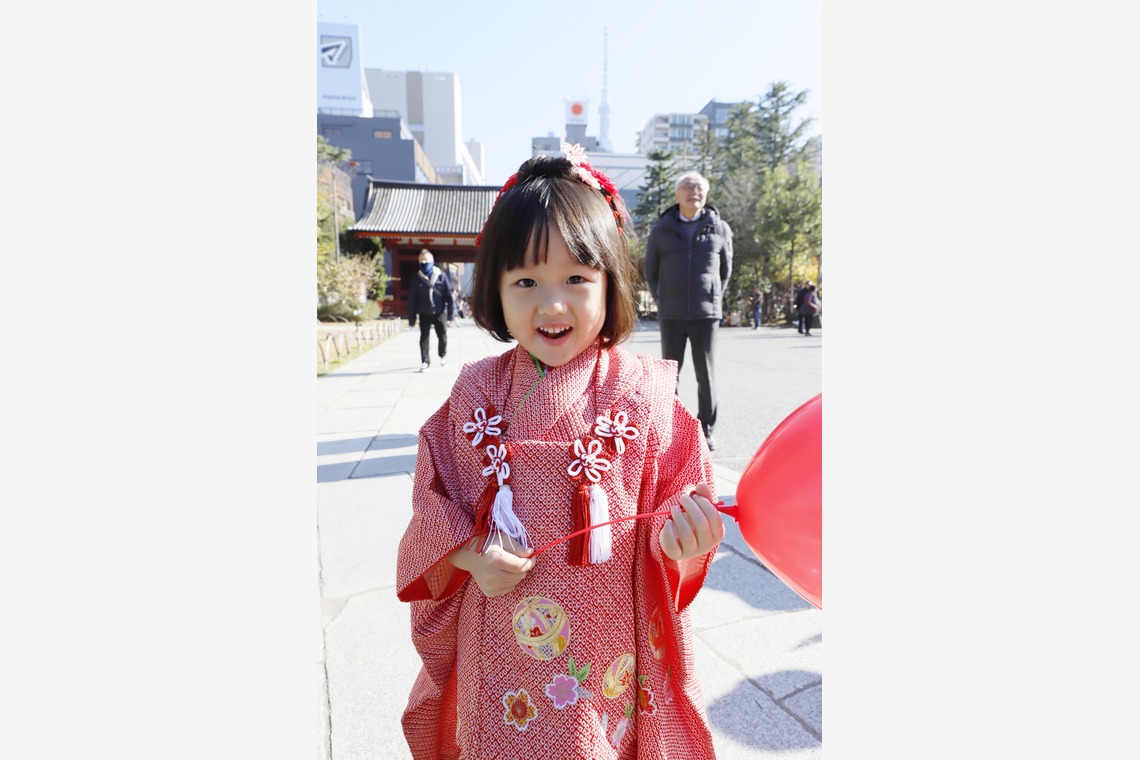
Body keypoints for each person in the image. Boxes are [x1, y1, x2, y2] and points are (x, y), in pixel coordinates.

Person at [396, 146, 725, 760]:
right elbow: (432, 500)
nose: (551, 304)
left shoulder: (645, 396)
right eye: (526, 281)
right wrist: (469, 555)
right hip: (499, 651)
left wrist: (685, 542)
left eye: (576, 278)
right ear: (494, 288)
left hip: (609, 656)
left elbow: (680, 499)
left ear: (611, 283)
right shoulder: (476, 392)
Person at [643, 171, 733, 452]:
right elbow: (651, 271)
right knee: (670, 373)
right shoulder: (661, 230)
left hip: (706, 313)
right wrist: (663, 298)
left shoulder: (720, 228)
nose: (694, 191)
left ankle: (706, 430)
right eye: (687, 186)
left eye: (699, 187)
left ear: (706, 194)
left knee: (706, 373)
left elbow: (725, 271)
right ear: (676, 194)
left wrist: (712, 296)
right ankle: (671, 427)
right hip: (671, 312)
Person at [408, 249, 456, 372]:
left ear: (432, 261)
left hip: (440, 312)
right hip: (424, 313)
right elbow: (412, 300)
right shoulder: (416, 278)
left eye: (426, 260)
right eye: (421, 260)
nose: (424, 262)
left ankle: (442, 355)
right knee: (424, 337)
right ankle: (425, 361)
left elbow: (449, 297)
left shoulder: (442, 276)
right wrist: (411, 319)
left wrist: (451, 316)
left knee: (443, 336)